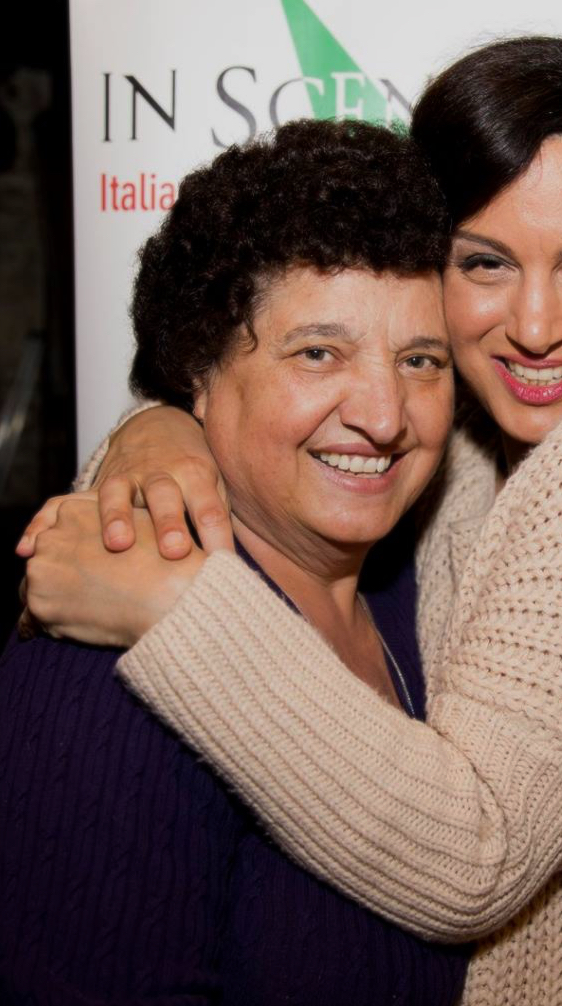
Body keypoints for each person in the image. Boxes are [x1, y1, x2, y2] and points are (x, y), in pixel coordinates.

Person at [21, 37, 562, 1005]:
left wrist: (181, 603)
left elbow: (479, 852)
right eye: (485, 263)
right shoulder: (466, 454)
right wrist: (154, 435)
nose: (535, 321)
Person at [0, 118, 472, 1005]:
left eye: (420, 360)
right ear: (198, 372)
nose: (383, 411)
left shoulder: (426, 591)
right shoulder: (103, 658)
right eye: (318, 352)